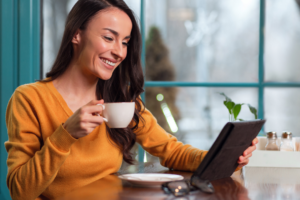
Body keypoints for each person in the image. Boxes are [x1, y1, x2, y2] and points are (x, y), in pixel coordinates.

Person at [5, 0, 258, 199]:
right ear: (76, 34)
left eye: (125, 42)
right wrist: (65, 135)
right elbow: (20, 191)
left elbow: (170, 151)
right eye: (108, 37)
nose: (119, 52)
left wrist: (221, 158)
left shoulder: (121, 100)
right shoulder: (29, 99)